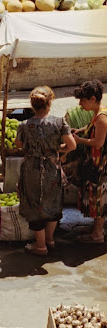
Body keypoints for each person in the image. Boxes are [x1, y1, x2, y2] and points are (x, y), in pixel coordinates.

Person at [15, 87, 76, 255]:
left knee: (35, 205)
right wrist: (56, 150)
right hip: (52, 168)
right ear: (49, 103)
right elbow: (72, 146)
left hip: (31, 171)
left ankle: (40, 245)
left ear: (33, 105)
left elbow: (18, 144)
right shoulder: (59, 123)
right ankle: (49, 240)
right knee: (53, 202)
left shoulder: (24, 125)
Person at [72, 80, 107, 244]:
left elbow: (98, 142)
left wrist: (79, 140)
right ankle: (96, 228)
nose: (80, 104)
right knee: (96, 198)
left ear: (93, 98)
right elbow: (90, 128)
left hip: (100, 166)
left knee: (99, 199)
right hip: (95, 164)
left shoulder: (102, 118)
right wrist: (78, 131)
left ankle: (97, 234)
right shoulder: (97, 115)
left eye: (83, 100)